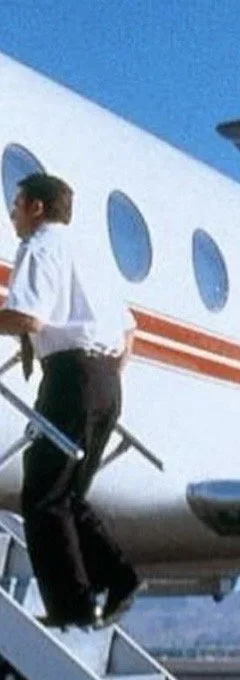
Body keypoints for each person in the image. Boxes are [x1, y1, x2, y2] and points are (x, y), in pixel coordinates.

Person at [0, 172, 139, 629]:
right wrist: (101, 378)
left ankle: (72, 611)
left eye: (16, 203)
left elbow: (29, 318)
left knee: (41, 497)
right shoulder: (89, 254)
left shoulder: (41, 247)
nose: (13, 213)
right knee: (68, 494)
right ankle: (117, 579)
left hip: (71, 379)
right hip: (104, 383)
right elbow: (130, 330)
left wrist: (76, 379)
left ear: (37, 207)